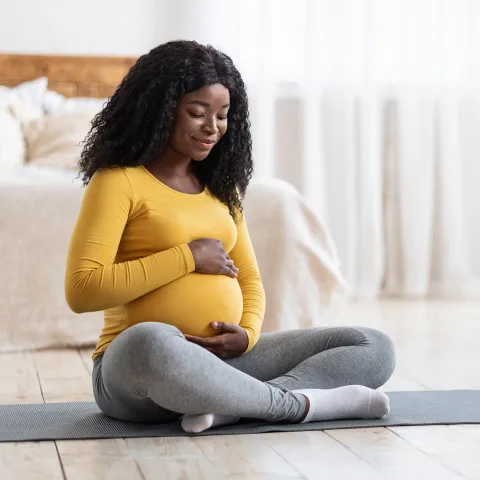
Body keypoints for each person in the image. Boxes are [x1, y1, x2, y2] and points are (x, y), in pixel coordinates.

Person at [65, 40, 395, 433]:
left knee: (371, 345)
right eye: (198, 113)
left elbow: (250, 280)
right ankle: (292, 405)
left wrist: (249, 333)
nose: (213, 128)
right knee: (151, 341)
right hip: (141, 373)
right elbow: (83, 290)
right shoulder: (118, 181)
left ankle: (230, 406)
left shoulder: (221, 188)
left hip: (227, 364)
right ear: (160, 110)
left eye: (223, 115)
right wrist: (187, 256)